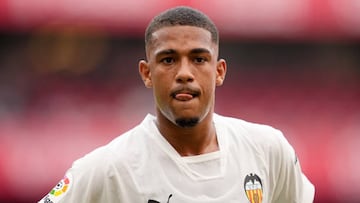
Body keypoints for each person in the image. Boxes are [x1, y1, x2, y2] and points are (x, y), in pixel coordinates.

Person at [39, 6, 315, 203]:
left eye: (198, 59)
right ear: (147, 73)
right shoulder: (108, 168)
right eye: (168, 60)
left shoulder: (267, 149)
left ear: (219, 71)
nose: (184, 73)